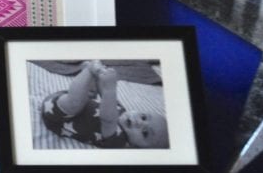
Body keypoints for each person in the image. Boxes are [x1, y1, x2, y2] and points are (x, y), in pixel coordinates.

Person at [39, 60, 169, 149]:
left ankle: (89, 69)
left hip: (58, 116)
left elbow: (108, 120)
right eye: (144, 117)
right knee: (90, 92)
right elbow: (105, 97)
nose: (140, 123)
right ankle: (91, 72)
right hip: (70, 101)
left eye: (145, 133)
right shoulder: (122, 112)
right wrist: (101, 80)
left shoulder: (119, 142)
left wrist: (110, 88)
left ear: (137, 148)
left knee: (76, 103)